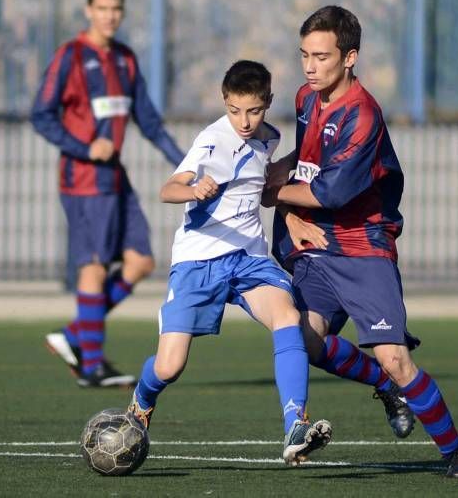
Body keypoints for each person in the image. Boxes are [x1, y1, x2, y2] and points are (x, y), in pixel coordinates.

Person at [264, 6, 458, 477]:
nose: (310, 66)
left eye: (321, 56)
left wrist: (271, 194)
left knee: (397, 359)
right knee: (303, 338)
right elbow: (305, 161)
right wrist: (285, 208)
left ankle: (457, 451)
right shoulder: (306, 98)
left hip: (363, 248)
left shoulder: (362, 115)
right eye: (304, 55)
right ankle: (384, 387)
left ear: (350, 58)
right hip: (318, 247)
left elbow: (331, 191)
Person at [126, 60, 332, 466]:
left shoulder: (268, 138)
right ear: (225, 102)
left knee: (288, 316)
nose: (244, 120)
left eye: (253, 110)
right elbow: (168, 189)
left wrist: (301, 156)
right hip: (200, 259)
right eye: (235, 110)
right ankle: (142, 401)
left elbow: (260, 174)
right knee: (170, 365)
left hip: (248, 258)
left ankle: (295, 424)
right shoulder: (211, 141)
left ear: (267, 104)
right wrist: (192, 189)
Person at [30, 0, 184, 388]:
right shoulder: (71, 56)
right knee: (94, 267)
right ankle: (91, 365)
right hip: (82, 178)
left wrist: (186, 164)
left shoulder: (125, 60)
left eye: (116, 8)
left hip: (115, 177)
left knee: (141, 261)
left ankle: (75, 336)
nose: (110, 16)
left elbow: (148, 122)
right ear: (88, 11)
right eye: (102, 8)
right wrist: (84, 146)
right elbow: (40, 115)